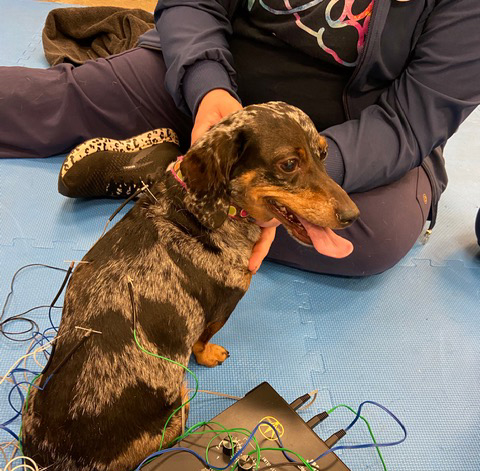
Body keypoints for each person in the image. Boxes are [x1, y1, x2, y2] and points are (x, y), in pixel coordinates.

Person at [0, 0, 479, 274]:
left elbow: (409, 122)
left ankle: (170, 170)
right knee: (52, 101)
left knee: (372, 236)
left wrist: (297, 174)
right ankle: (195, 169)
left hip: (345, 128)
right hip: (215, 76)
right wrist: (205, 84)